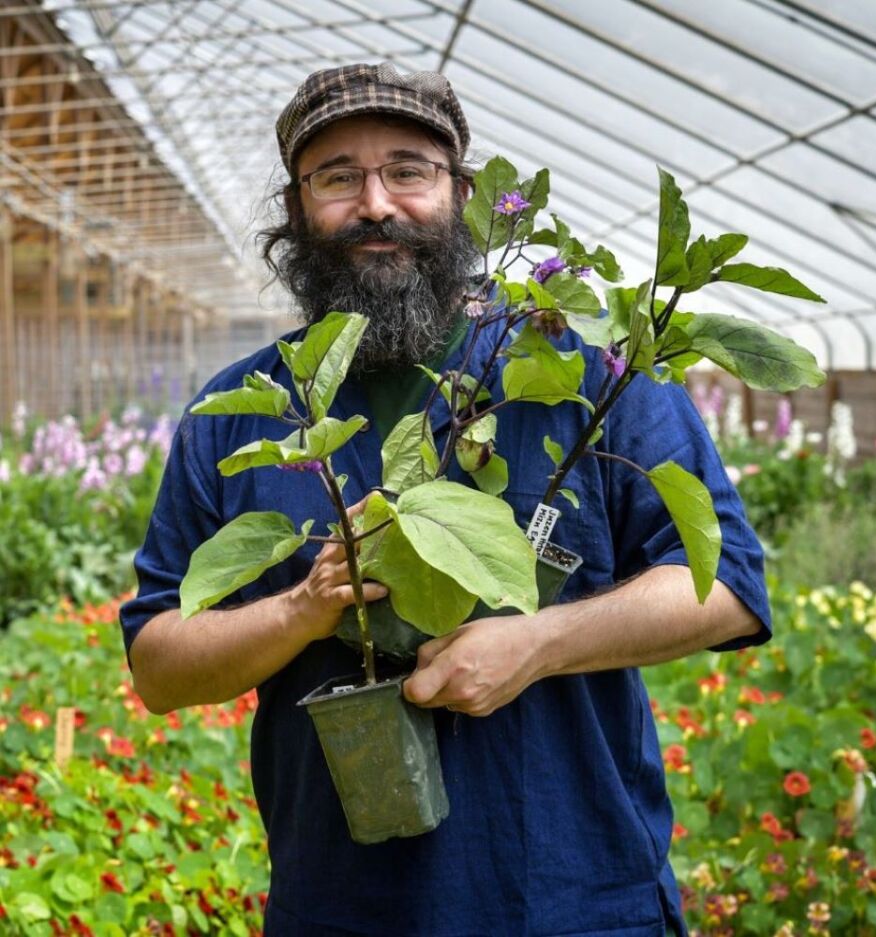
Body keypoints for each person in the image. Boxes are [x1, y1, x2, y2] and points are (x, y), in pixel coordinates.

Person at [120, 63, 770, 936]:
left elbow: (726, 586)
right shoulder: (248, 411)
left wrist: (538, 643)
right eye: (338, 176)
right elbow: (160, 666)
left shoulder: (583, 377)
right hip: (340, 909)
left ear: (462, 195)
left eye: (408, 170)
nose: (376, 203)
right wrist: (305, 608)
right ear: (297, 207)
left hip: (575, 901)